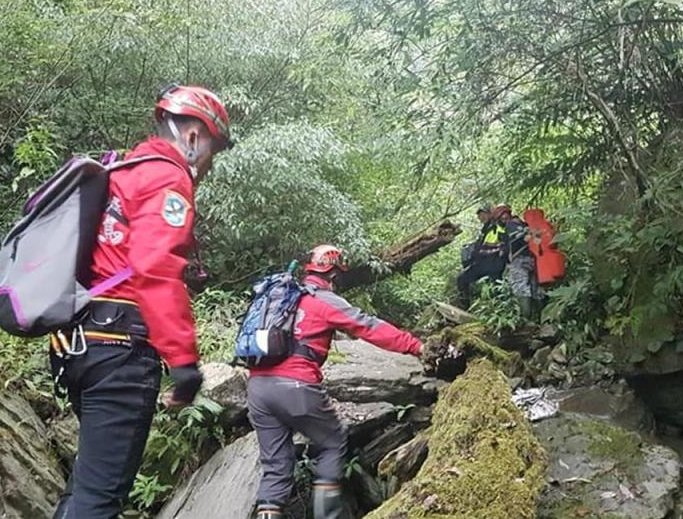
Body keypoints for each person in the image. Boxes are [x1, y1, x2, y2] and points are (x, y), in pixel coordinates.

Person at [50, 84, 233, 519]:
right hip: (121, 352)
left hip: (79, 343)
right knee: (98, 501)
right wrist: (184, 364)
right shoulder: (168, 177)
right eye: (213, 149)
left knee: (85, 489)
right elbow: (155, 270)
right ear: (192, 136)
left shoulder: (120, 171)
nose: (209, 163)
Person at [247, 245, 423, 519]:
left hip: (258, 388)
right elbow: (368, 326)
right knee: (331, 443)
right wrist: (415, 346)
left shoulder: (280, 298)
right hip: (296, 386)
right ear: (334, 275)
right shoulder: (323, 299)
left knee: (275, 466)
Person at [455, 204, 507, 309]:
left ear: (490, 214)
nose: (481, 217)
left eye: (483, 214)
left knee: (495, 288)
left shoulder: (497, 227)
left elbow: (503, 245)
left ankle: (500, 310)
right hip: (483, 263)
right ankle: (465, 307)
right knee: (462, 279)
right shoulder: (485, 230)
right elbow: (481, 247)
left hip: (494, 263)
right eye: (479, 215)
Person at [497, 205, 537, 319]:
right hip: (532, 259)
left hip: (519, 260)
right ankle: (542, 321)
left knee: (520, 288)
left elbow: (519, 239)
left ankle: (526, 320)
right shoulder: (523, 225)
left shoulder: (511, 225)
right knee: (535, 289)